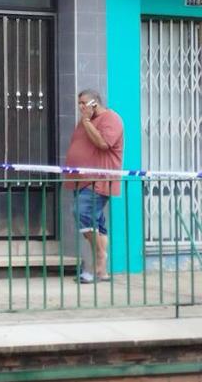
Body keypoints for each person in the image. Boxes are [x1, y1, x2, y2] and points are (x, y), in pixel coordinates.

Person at [65, 89, 124, 284]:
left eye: (83, 103)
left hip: (98, 180)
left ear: (94, 103)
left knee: (82, 212)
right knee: (96, 223)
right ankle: (102, 271)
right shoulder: (83, 121)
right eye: (79, 103)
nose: (80, 107)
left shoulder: (111, 119)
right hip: (81, 181)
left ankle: (96, 259)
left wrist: (88, 122)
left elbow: (103, 143)